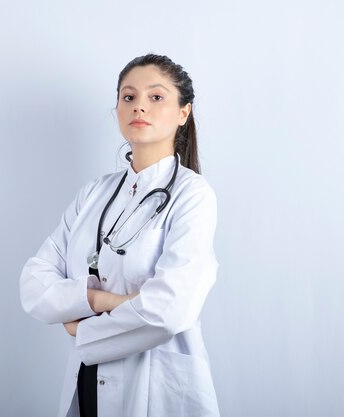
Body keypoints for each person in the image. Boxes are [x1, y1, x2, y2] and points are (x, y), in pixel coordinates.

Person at [19, 53, 220, 417]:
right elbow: (34, 285)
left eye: (156, 97)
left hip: (156, 386)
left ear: (183, 113)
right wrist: (101, 301)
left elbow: (169, 312)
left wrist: (80, 325)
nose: (139, 106)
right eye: (128, 97)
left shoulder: (193, 195)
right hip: (88, 381)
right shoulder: (95, 193)